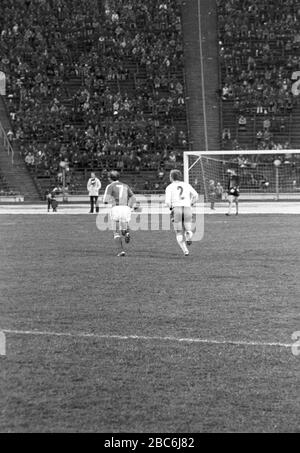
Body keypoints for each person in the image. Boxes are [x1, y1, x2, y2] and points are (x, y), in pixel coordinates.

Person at [165, 169, 198, 256]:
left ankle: (185, 251)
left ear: (171, 177)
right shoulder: (186, 185)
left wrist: (170, 207)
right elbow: (196, 195)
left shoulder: (169, 187)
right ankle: (189, 235)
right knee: (188, 228)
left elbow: (167, 202)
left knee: (179, 232)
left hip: (176, 209)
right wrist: (191, 203)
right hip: (187, 208)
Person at [103, 170, 136, 257]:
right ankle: (126, 232)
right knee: (124, 226)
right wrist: (129, 206)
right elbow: (133, 197)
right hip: (126, 208)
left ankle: (121, 251)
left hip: (116, 208)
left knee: (116, 232)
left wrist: (111, 200)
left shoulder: (110, 186)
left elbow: (105, 201)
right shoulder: (125, 186)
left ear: (110, 178)